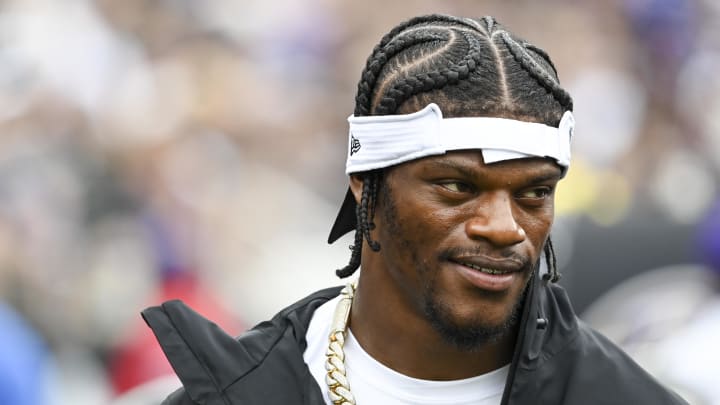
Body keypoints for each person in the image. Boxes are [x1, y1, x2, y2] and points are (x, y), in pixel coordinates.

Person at [142, 14, 688, 404]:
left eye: (533, 194)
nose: (503, 227)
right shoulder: (237, 393)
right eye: (455, 186)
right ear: (366, 187)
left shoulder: (624, 397)